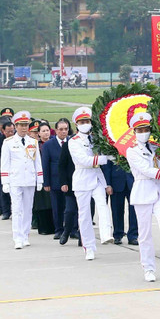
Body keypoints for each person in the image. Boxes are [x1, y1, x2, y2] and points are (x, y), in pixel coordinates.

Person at [126, 112, 160, 281]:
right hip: (142, 191)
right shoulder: (132, 151)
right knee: (145, 233)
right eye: (140, 130)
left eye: (146, 129)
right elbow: (146, 170)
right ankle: (148, 268)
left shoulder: (157, 148)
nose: (144, 133)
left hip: (158, 191)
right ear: (134, 132)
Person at [67, 106, 114, 260]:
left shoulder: (96, 138)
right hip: (82, 178)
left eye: (87, 120)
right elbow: (84, 160)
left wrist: (106, 182)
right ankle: (89, 247)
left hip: (96, 177)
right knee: (85, 215)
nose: (85, 123)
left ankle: (106, 234)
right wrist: (104, 159)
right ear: (76, 124)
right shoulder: (73, 141)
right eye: (82, 121)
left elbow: (102, 157)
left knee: (102, 205)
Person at [0, 111, 44, 250]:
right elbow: (5, 163)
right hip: (15, 179)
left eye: (26, 125)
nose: (24, 128)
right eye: (21, 125)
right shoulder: (8, 142)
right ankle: (17, 237)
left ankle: (25, 236)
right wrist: (5, 182)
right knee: (17, 209)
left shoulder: (33, 142)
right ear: (15, 126)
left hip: (30, 179)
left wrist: (40, 179)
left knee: (28, 209)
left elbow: (37, 162)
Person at [43, 119, 70, 240]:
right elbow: (45, 164)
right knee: (57, 206)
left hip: (70, 180)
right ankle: (58, 229)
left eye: (66, 129)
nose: (64, 132)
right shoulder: (49, 144)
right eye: (61, 129)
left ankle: (72, 229)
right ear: (56, 130)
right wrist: (46, 182)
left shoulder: (72, 142)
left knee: (70, 207)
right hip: (55, 180)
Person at [103, 154, 138, 245]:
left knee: (134, 210)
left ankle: (133, 236)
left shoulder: (133, 143)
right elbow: (107, 167)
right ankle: (118, 234)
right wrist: (108, 184)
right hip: (116, 182)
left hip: (132, 182)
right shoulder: (112, 142)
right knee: (117, 210)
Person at [31, 122, 56, 235]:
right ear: (39, 133)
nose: (46, 133)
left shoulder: (54, 143)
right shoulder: (36, 145)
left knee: (53, 202)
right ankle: (43, 226)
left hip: (53, 174)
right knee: (42, 202)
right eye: (43, 131)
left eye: (47, 130)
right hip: (40, 175)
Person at [0, 119, 15, 219]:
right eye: (8, 131)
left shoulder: (17, 141)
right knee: (4, 193)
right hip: (4, 171)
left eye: (12, 131)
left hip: (15, 171)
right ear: (3, 131)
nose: (10, 133)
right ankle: (6, 212)